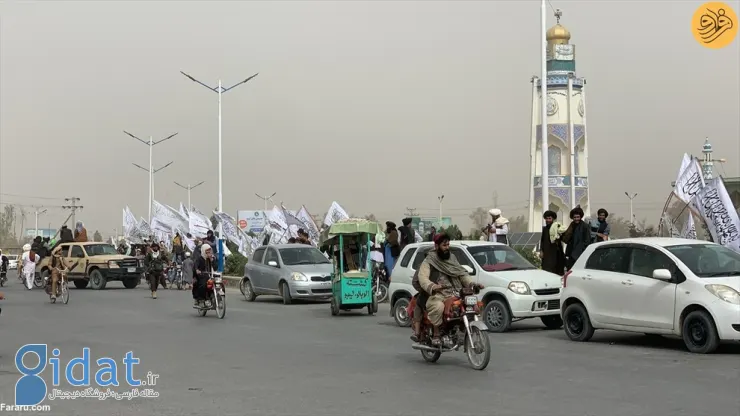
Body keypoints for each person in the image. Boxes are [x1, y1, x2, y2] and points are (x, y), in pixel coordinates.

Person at [417, 233, 482, 346]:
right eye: (444, 245)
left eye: (448, 245)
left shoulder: (452, 258)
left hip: (456, 292)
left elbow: (462, 274)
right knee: (438, 306)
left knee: (471, 305)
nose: (447, 247)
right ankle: (436, 333)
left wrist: (472, 284)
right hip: (439, 294)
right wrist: (433, 286)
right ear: (437, 246)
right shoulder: (429, 260)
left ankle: (461, 330)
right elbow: (423, 278)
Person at [539, 210, 566, 275]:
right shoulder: (545, 229)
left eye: (549, 218)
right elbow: (542, 241)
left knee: (556, 271)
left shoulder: (557, 227)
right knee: (547, 271)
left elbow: (562, 238)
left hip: (556, 253)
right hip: (547, 254)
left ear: (553, 219)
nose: (548, 220)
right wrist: (541, 251)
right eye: (547, 218)